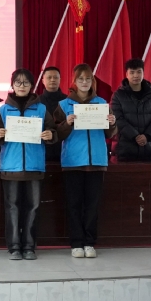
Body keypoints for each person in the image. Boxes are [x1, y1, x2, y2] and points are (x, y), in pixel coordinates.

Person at [0, 68, 55, 261]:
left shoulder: (41, 109)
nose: (22, 86)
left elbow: (53, 131)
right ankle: (14, 246)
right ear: (12, 85)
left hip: (35, 166)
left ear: (32, 85)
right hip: (11, 167)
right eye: (18, 82)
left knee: (33, 207)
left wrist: (50, 135)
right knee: (12, 207)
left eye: (26, 82)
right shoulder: (4, 109)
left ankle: (29, 246)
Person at [54, 64, 117, 259]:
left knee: (92, 205)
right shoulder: (64, 105)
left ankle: (89, 242)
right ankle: (76, 243)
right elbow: (56, 134)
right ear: (74, 81)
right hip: (73, 161)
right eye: (80, 79)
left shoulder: (101, 103)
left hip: (96, 161)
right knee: (74, 204)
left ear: (92, 81)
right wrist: (67, 123)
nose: (84, 82)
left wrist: (112, 123)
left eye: (87, 79)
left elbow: (110, 134)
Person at [111, 58, 151, 163]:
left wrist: (147, 136)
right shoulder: (118, 95)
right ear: (126, 74)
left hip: (149, 150)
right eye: (132, 72)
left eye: (139, 72)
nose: (136, 75)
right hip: (126, 151)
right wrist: (135, 136)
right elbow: (118, 119)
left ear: (143, 73)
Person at [39, 67, 66, 163]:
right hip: (41, 150)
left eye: (55, 77)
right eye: (49, 77)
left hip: (64, 151)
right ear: (43, 80)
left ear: (60, 80)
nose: (52, 80)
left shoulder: (68, 101)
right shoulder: (36, 102)